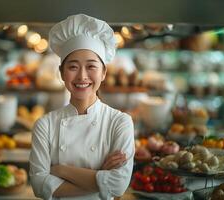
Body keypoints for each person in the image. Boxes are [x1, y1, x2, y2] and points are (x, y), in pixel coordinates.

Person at [29, 14, 135, 200]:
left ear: (103, 73)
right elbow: (39, 185)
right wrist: (101, 176)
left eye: (91, 66)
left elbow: (118, 185)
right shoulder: (45, 125)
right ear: (61, 73)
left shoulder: (119, 122)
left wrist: (61, 170)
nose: (82, 76)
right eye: (73, 67)